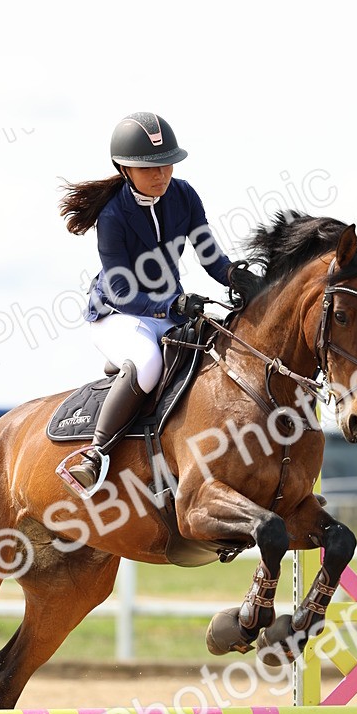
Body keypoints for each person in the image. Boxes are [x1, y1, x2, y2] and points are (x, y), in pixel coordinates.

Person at [58, 111, 264, 493]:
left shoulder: (183, 195)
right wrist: (172, 307)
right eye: (151, 167)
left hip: (171, 309)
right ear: (124, 168)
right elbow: (121, 291)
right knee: (149, 362)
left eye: (167, 164)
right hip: (117, 315)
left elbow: (210, 256)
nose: (162, 174)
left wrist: (236, 275)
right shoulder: (113, 216)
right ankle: (95, 455)